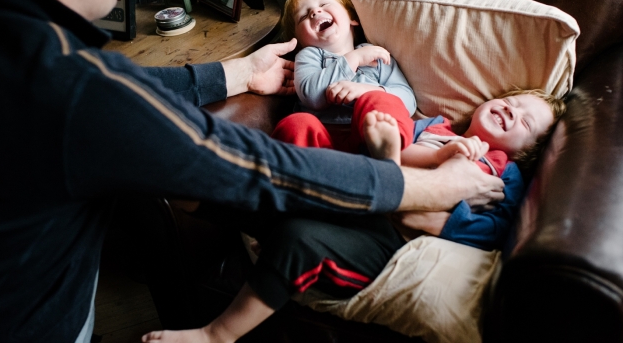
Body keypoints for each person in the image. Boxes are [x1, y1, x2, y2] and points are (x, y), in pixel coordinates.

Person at [0, 0, 504, 341]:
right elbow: (257, 166)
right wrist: (436, 188)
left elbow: (130, 93)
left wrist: (237, 72)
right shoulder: (69, 84)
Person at [143, 89, 565, 343]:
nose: (512, 111)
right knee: (381, 105)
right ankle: (194, 193)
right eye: (511, 101)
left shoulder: (504, 178)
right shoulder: (435, 127)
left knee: (299, 237)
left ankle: (218, 335)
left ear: (525, 152)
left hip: (384, 237)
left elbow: (440, 226)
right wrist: (436, 154)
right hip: (363, 184)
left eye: (525, 121)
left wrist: (442, 180)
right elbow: (392, 135)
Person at [271, 0, 417, 155]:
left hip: (371, 135)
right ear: (298, 41)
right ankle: (310, 173)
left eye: (324, 5)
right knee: (295, 124)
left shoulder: (375, 53)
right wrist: (352, 59)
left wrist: (367, 91)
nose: (315, 12)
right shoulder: (308, 56)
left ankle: (391, 153)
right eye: (303, 16)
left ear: (352, 18)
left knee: (381, 100)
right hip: (321, 141)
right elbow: (312, 96)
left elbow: (408, 101)